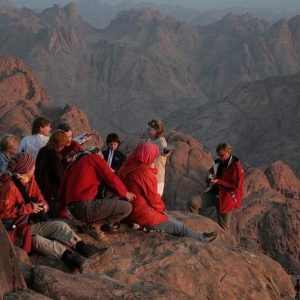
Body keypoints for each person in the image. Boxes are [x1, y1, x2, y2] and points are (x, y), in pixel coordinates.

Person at [0, 153, 100, 272]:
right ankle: (71, 257)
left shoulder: (28, 179)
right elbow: (3, 214)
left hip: (26, 224)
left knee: (60, 225)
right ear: (24, 170)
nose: (34, 168)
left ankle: (82, 247)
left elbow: (36, 193)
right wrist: (27, 208)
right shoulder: (8, 187)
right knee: (37, 240)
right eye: (32, 167)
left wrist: (43, 203)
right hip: (15, 231)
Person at [118, 143, 218, 242]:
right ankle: (203, 239)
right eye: (154, 156)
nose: (154, 158)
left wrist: (151, 167)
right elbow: (152, 197)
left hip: (129, 209)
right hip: (141, 213)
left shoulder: (127, 166)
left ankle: (199, 234)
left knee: (171, 219)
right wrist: (161, 208)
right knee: (178, 227)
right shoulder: (143, 172)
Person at [58, 149, 135, 231]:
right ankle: (95, 226)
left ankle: (95, 223)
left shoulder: (72, 165)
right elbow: (110, 177)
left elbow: (62, 189)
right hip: (86, 207)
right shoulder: (93, 158)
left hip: (73, 209)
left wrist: (61, 211)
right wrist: (125, 193)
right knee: (127, 207)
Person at [188, 142, 244, 232]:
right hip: (213, 193)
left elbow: (234, 186)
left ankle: (225, 245)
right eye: (218, 155)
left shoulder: (236, 167)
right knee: (193, 203)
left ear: (228, 152)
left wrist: (218, 181)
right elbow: (211, 172)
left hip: (226, 198)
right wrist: (209, 177)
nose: (220, 157)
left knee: (224, 230)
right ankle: (196, 229)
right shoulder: (218, 162)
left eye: (221, 155)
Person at [35, 130, 69, 217]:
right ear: (60, 144)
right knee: (50, 215)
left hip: (39, 187)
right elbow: (58, 177)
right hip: (50, 193)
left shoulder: (43, 150)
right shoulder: (54, 156)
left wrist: (63, 161)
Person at [147, 119, 169, 196]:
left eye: (150, 129)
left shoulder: (161, 141)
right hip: (148, 173)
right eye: (148, 129)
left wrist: (165, 151)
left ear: (157, 130)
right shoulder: (149, 140)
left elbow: (165, 152)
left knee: (156, 197)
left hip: (158, 175)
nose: (148, 131)